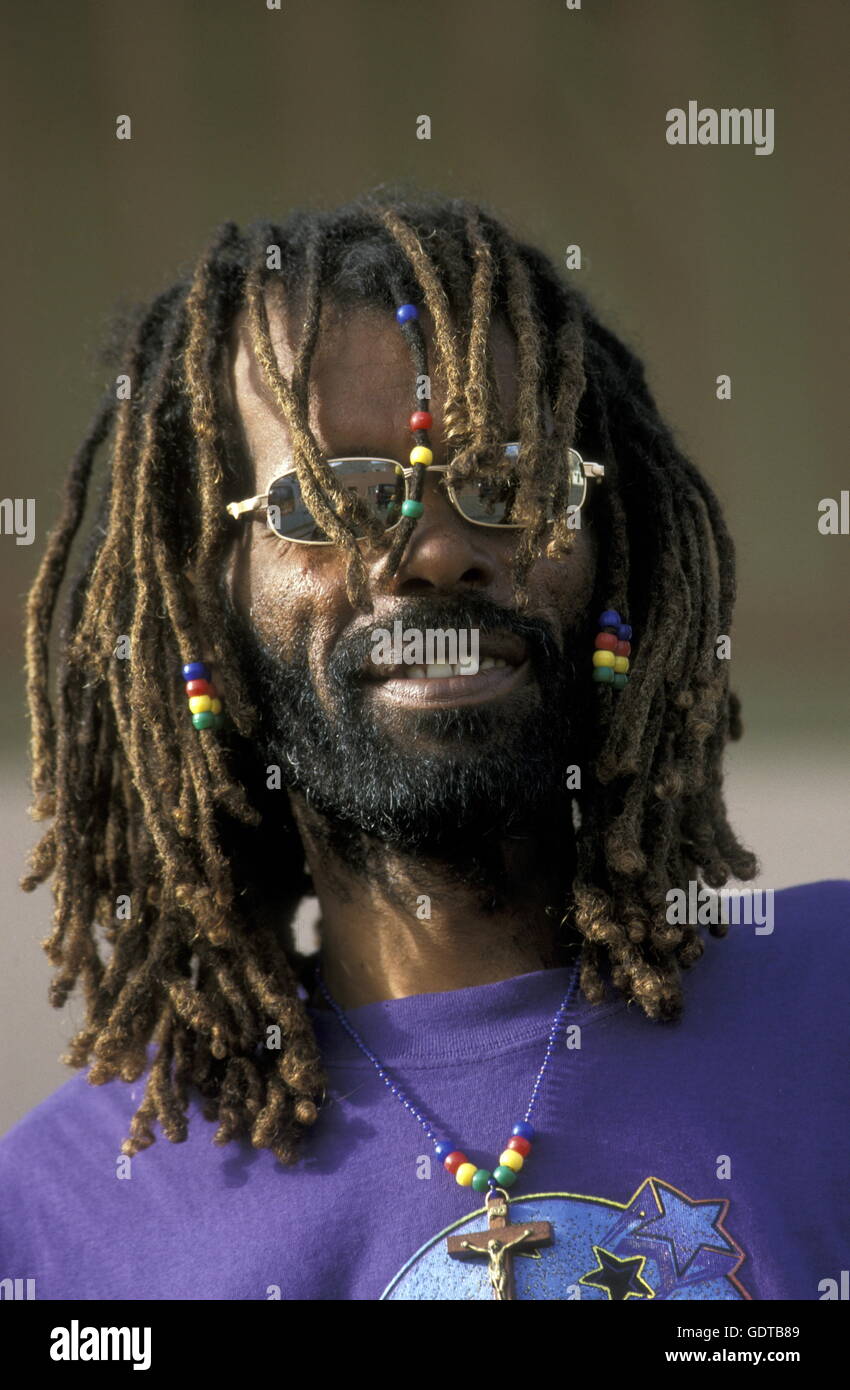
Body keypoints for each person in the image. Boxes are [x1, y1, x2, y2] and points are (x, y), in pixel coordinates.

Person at [1, 192, 847, 1302]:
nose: (438, 550)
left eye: (510, 484)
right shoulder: (60, 1220)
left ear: (615, 563)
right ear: (206, 609)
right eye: (332, 500)